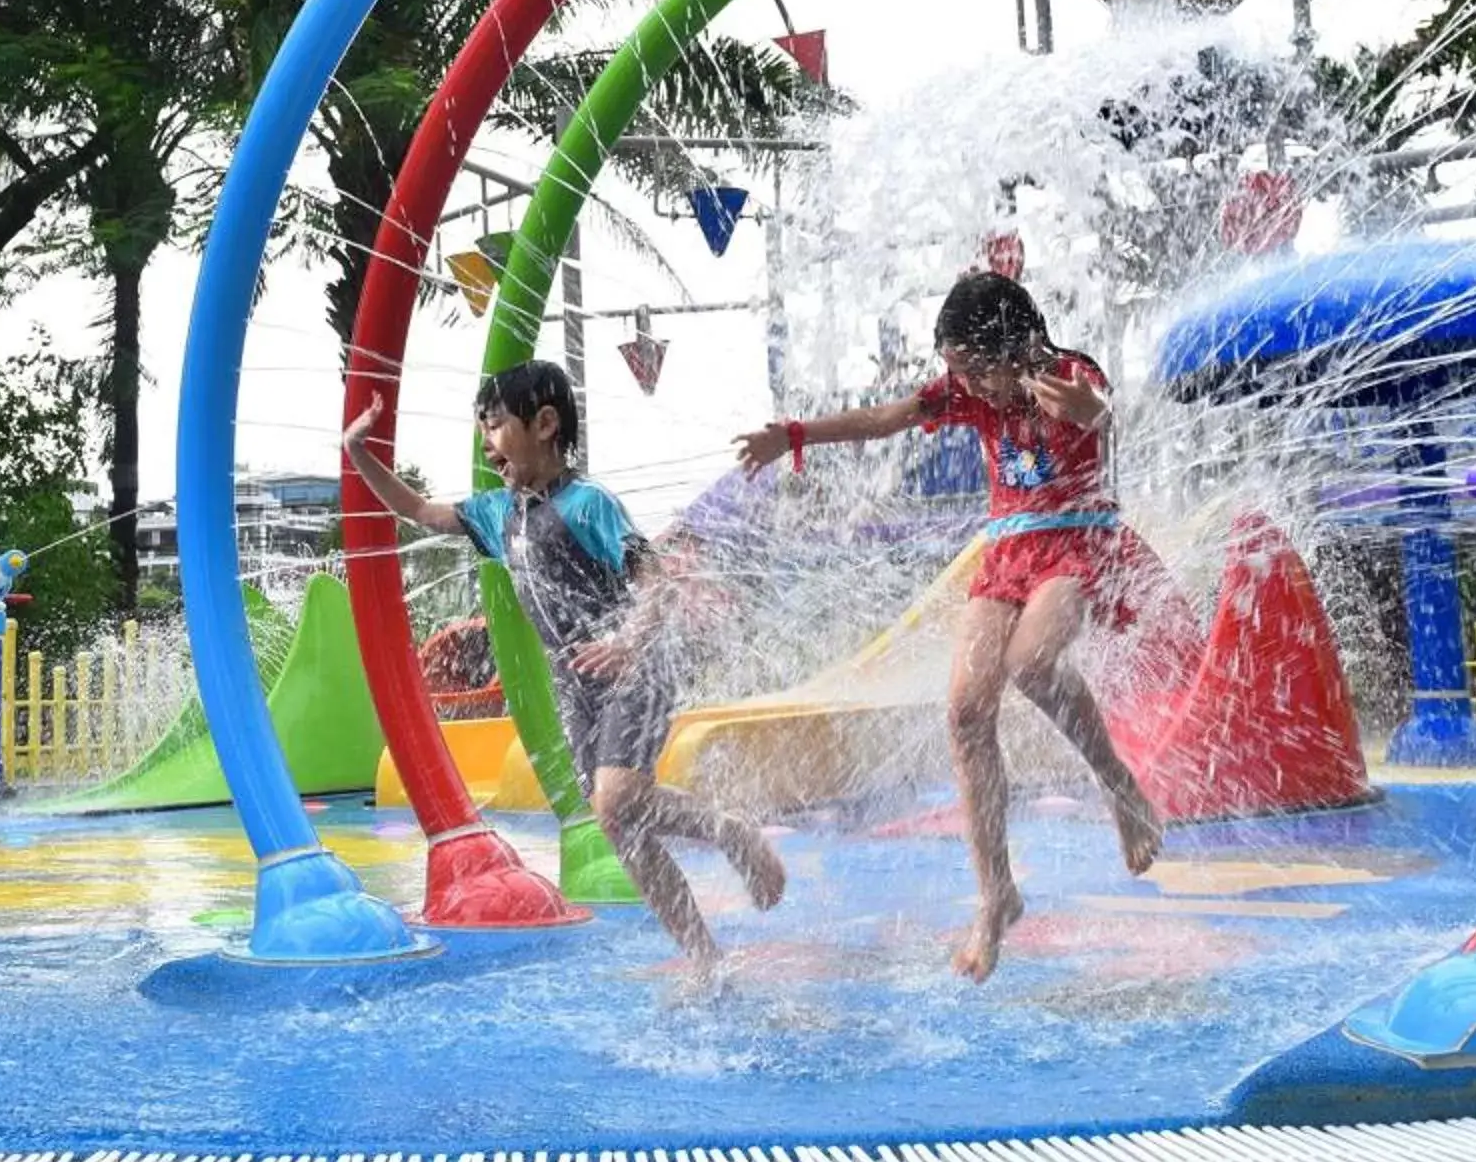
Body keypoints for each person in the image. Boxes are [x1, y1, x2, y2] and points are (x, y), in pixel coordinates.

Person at [734, 272, 1173, 982]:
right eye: (956, 372)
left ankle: (1121, 787)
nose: (967, 386)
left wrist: (1089, 408)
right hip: (1006, 550)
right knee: (967, 710)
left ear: (1015, 346)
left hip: (1074, 539)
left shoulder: (1067, 373)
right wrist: (793, 436)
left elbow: (1102, 413)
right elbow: (886, 418)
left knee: (1032, 663)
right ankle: (997, 894)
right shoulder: (967, 393)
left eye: (975, 368)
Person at [345, 360, 786, 976]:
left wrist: (629, 641)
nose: (486, 441)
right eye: (482, 427)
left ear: (545, 423)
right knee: (617, 821)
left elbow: (655, 581)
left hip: (636, 664)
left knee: (619, 796)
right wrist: (358, 452)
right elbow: (417, 509)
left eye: (496, 425)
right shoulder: (499, 515)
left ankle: (731, 831)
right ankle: (705, 959)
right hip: (574, 684)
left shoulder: (589, 504)